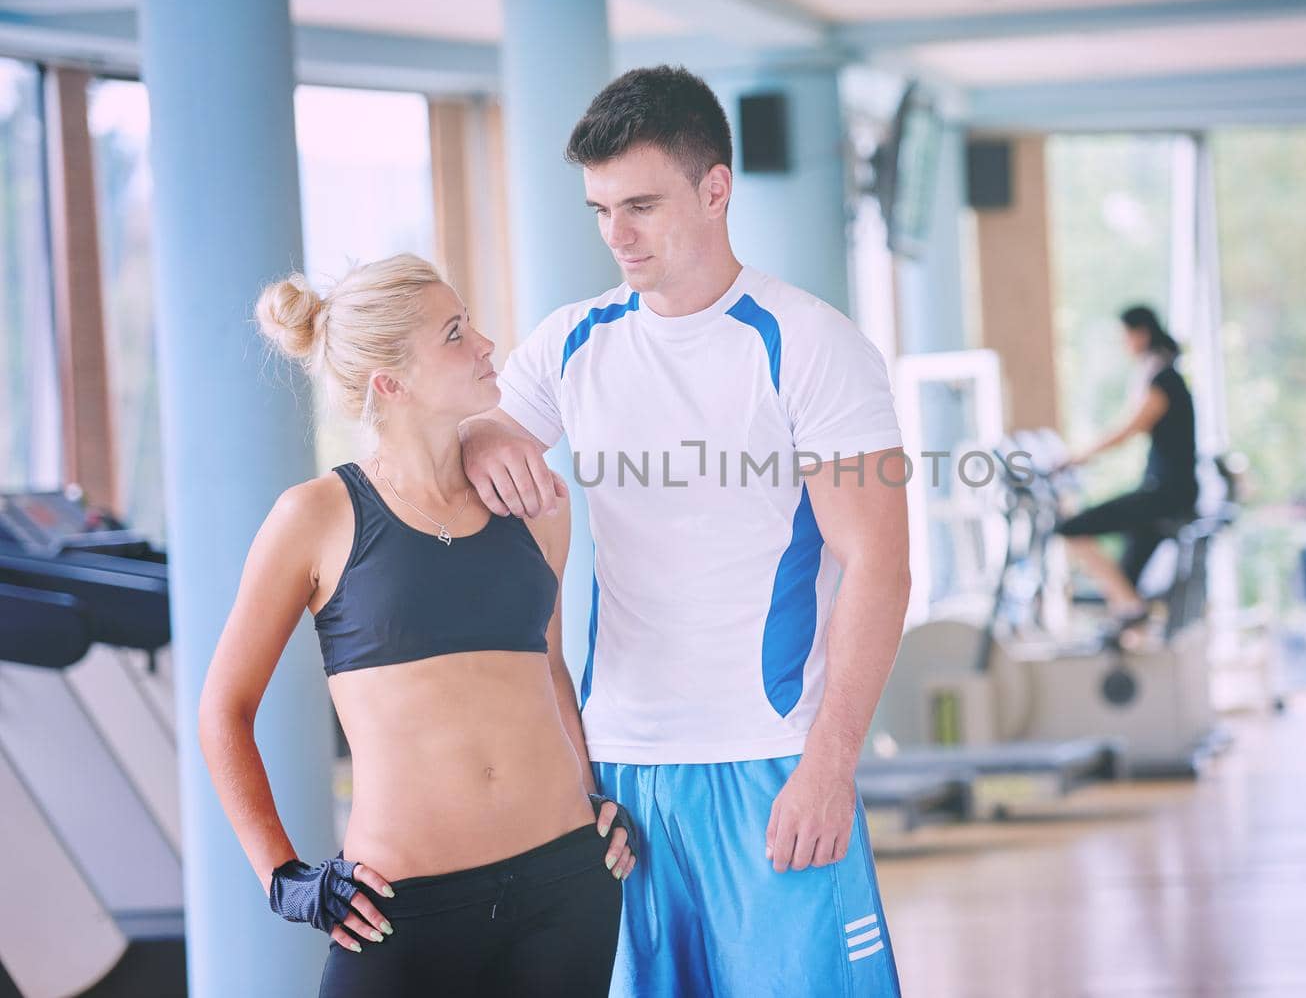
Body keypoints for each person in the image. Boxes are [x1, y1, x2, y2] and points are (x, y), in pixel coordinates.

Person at [459, 66, 911, 996]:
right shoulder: (572, 341)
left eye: (641, 206)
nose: (615, 236)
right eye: (598, 210)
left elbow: (880, 567)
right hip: (622, 767)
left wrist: (829, 766)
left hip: (771, 757)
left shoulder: (812, 343)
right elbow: (469, 443)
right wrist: (475, 442)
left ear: (716, 189)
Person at [198, 255, 637, 997]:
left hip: (566, 886)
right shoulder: (314, 518)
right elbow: (223, 711)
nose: (487, 344)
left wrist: (592, 797)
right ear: (390, 383)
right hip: (400, 913)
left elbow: (549, 670)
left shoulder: (535, 503)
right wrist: (283, 876)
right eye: (456, 333)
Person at [1055, 304, 1198, 636]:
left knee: (1071, 529)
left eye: (1125, 337)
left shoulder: (1163, 380)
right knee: (1125, 580)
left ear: (1141, 334)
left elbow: (1128, 429)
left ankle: (1131, 610)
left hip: (1166, 494)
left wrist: (1079, 457)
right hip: (1166, 490)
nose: (1124, 345)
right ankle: (1133, 621)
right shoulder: (1161, 374)